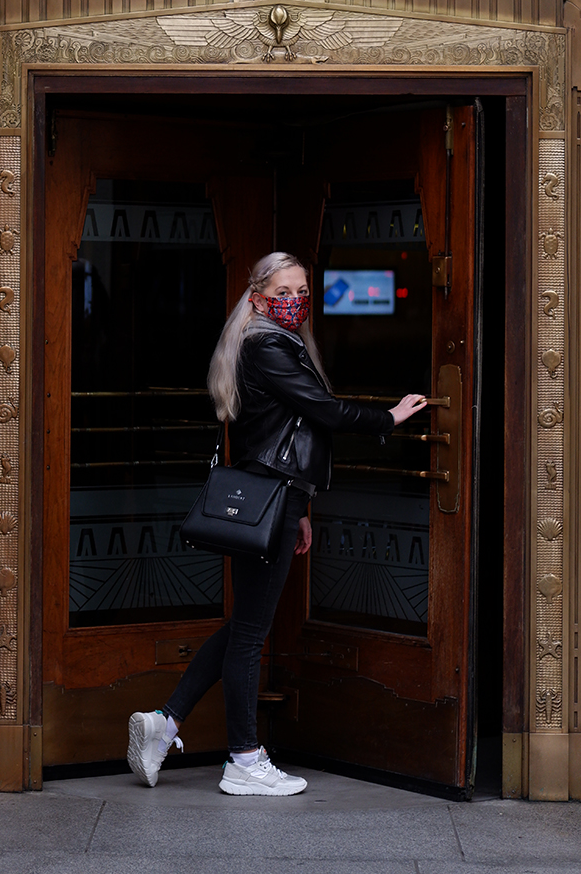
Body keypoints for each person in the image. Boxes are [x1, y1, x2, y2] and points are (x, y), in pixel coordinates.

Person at [127, 251, 427, 796]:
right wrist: (390, 418)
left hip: (277, 498)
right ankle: (243, 758)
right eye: (283, 293)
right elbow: (323, 412)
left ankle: (163, 724)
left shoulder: (269, 340)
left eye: (302, 291)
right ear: (259, 297)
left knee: (244, 623)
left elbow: (280, 433)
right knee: (250, 634)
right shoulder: (266, 344)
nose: (295, 302)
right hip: (271, 501)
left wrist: (303, 506)